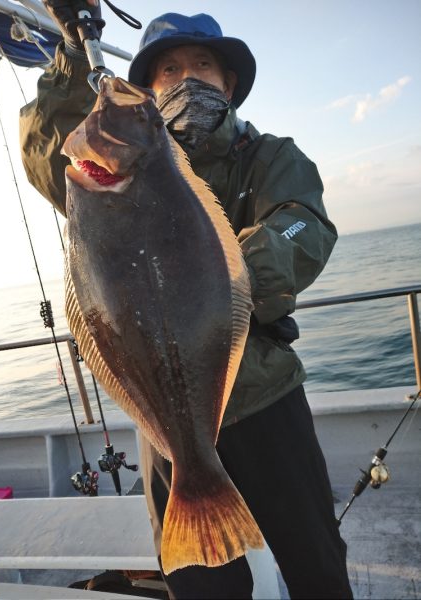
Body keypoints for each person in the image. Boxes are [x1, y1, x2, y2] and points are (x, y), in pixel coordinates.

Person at [20, 7, 353, 600]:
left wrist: (222, 276)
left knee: (317, 566)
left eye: (203, 65)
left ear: (229, 82)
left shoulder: (271, 157)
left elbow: (303, 224)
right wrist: (71, 52)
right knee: (201, 587)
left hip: (266, 401)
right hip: (165, 425)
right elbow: (47, 152)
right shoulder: (101, 172)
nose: (187, 78)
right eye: (169, 70)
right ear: (149, 90)